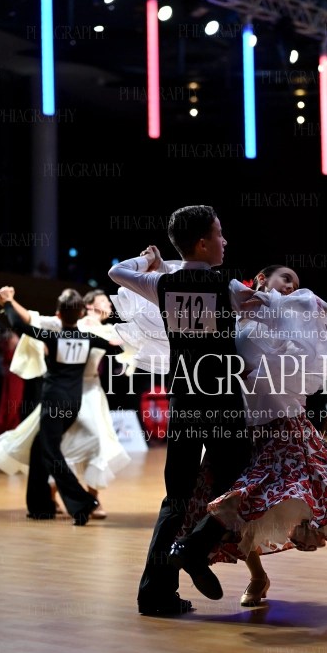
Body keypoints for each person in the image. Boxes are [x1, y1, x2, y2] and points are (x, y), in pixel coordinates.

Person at [112, 262, 327, 607]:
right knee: (239, 506)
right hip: (245, 424)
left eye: (295, 282)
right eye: (285, 278)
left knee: (310, 483)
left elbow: (308, 329)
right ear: (260, 279)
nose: (291, 285)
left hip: (284, 419)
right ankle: (257, 576)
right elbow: (191, 283)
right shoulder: (234, 313)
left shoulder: (291, 314)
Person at [108, 204, 255, 616]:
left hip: (184, 398)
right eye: (219, 234)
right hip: (222, 398)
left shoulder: (163, 284)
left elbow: (117, 272)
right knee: (239, 479)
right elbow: (266, 305)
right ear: (204, 243)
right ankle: (194, 546)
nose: (225, 241)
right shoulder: (227, 286)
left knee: (176, 495)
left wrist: (149, 260)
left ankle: (154, 593)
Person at [0, 286, 132, 519]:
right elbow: (115, 344)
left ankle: (82, 502)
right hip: (75, 402)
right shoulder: (89, 338)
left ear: (59, 316)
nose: (108, 305)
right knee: (40, 448)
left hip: (54, 402)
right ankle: (41, 506)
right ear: (81, 313)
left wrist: (8, 303)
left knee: (51, 453)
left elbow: (19, 325)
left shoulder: (53, 336)